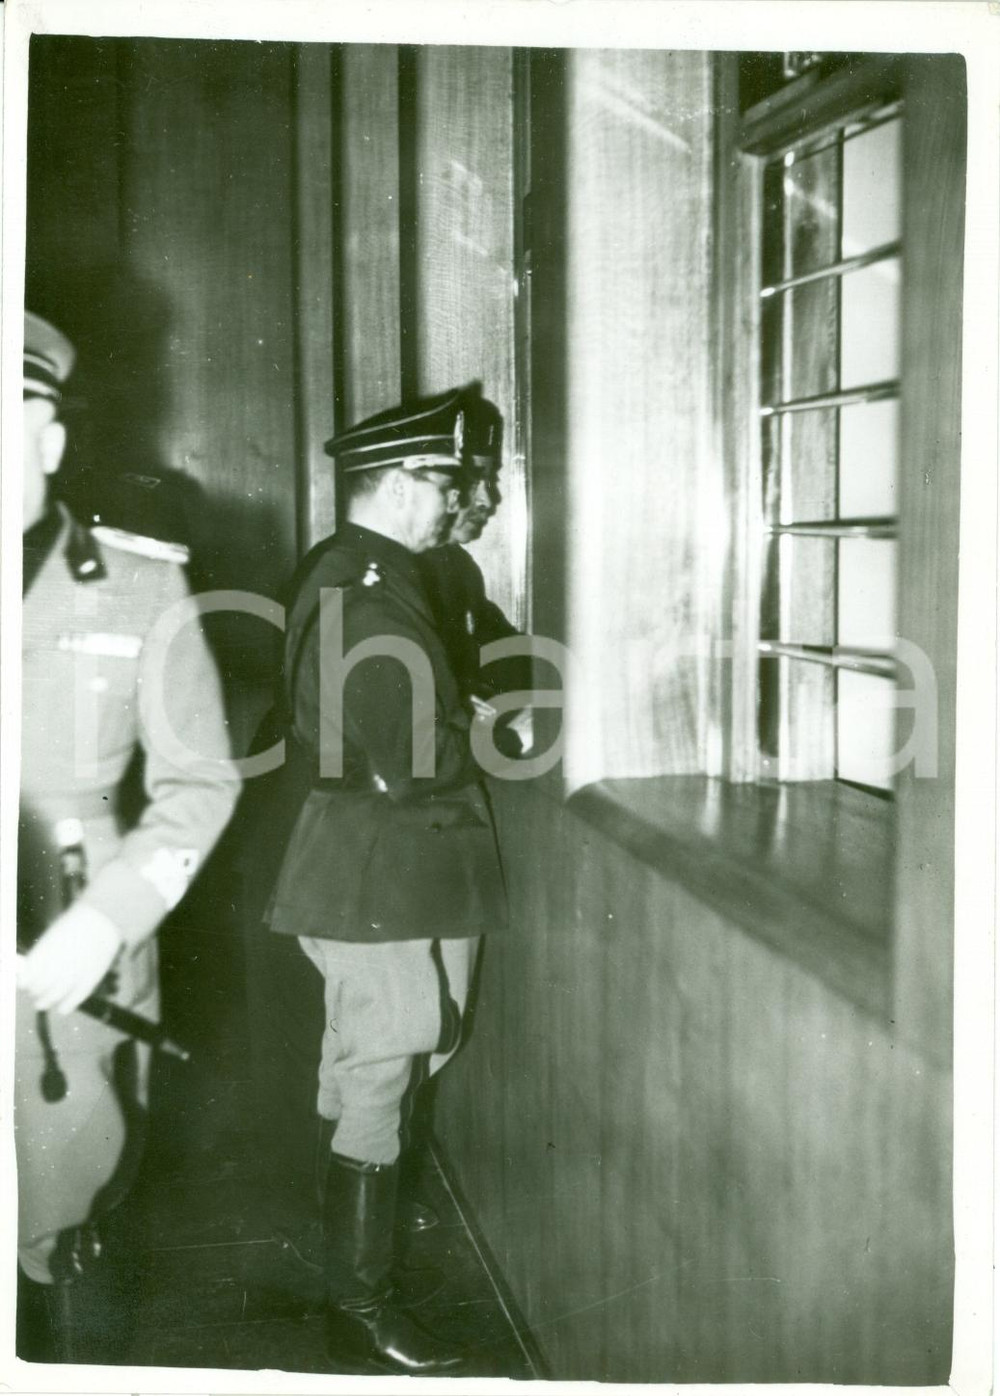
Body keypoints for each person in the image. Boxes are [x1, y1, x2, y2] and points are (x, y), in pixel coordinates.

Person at [263, 385, 508, 1376]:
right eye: (443, 486)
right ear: (403, 483)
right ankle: (361, 1301)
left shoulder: (365, 570)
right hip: (380, 856)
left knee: (394, 1047)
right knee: (387, 1054)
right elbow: (403, 749)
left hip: (388, 855)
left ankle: (349, 1247)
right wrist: (482, 721)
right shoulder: (367, 583)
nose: (450, 506)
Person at [15, 311, 241, 1362]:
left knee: (66, 1213)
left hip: (75, 961)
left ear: (49, 438)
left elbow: (201, 781)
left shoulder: (144, 585)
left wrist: (109, 923)